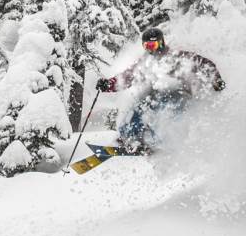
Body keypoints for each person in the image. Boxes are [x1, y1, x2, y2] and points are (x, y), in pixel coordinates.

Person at [95, 26, 225, 154]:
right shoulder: (145, 61)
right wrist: (108, 84)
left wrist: (215, 79)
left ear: (161, 42)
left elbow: (202, 63)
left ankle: (157, 143)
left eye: (152, 45)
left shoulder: (176, 57)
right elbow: (127, 77)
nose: (150, 50)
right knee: (138, 108)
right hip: (155, 94)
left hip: (179, 94)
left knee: (165, 113)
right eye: (146, 46)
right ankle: (130, 138)